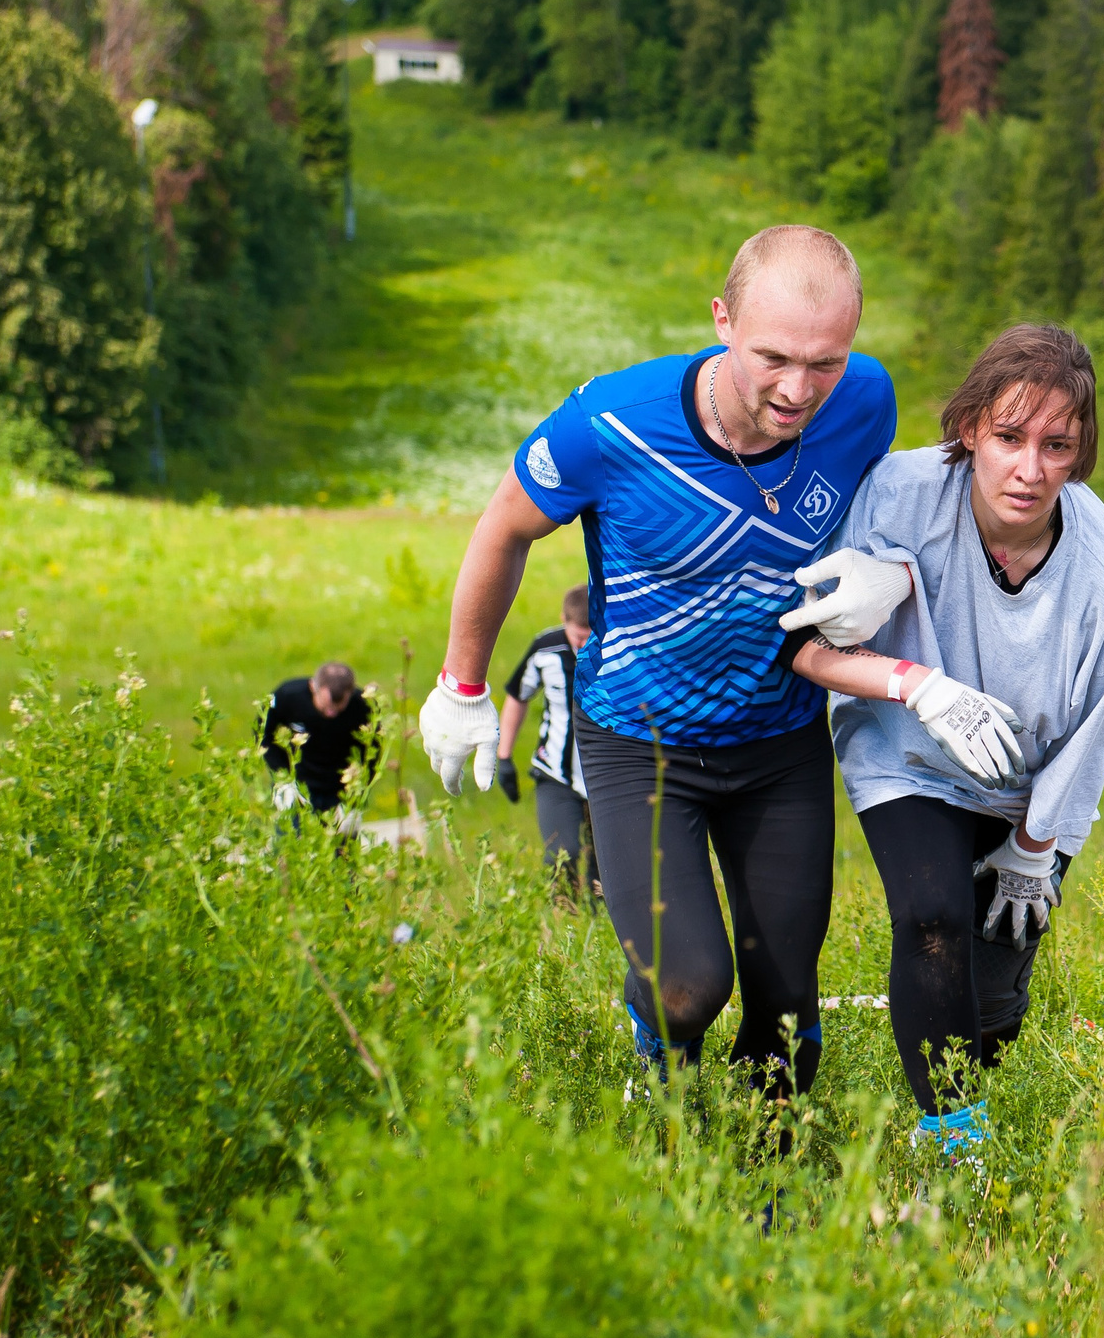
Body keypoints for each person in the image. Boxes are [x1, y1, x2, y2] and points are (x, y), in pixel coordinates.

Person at [417, 226, 988, 1104]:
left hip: (779, 741)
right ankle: (658, 1049)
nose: (800, 390)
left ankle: (772, 1190)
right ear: (722, 320)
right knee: (690, 988)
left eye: (825, 362)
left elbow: (883, 511)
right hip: (639, 742)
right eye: (775, 358)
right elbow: (503, 527)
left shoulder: (865, 399)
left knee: (787, 1000)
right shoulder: (611, 425)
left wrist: (888, 568)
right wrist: (462, 684)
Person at [787, 325, 1104, 1162]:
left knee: (989, 998)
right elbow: (810, 646)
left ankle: (978, 1064)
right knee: (932, 919)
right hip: (908, 748)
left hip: (1028, 786)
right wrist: (903, 650)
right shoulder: (902, 492)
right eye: (1009, 438)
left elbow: (1096, 735)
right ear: (969, 429)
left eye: (1057, 445)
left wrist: (1034, 847)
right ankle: (953, 1146)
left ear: (1081, 451)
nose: (1030, 470)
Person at [497, 583, 600, 900]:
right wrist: (504, 757)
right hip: (554, 772)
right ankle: (565, 922)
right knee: (561, 853)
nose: (583, 644)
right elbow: (518, 696)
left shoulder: (617, 646)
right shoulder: (545, 649)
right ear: (563, 620)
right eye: (577, 636)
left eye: (589, 635)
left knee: (607, 865)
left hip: (604, 773)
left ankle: (602, 930)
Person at [260, 661, 379, 816]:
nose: (330, 714)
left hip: (340, 789)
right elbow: (263, 734)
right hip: (296, 784)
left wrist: (357, 797)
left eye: (338, 709)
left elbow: (373, 752)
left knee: (342, 837)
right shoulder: (287, 696)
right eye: (326, 707)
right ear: (313, 687)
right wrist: (282, 779)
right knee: (292, 837)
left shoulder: (363, 706)